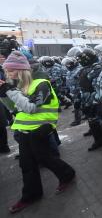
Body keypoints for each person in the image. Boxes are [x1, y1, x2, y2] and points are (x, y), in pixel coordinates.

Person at [0, 51, 75, 214]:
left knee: (45, 158)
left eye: (10, 70)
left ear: (21, 70)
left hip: (41, 128)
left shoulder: (41, 83)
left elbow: (31, 108)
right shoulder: (18, 86)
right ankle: (31, 195)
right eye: (6, 71)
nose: (8, 74)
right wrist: (4, 94)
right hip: (26, 130)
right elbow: (14, 108)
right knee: (26, 164)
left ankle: (67, 174)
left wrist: (8, 91)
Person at [76, 48, 102, 151]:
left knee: (95, 118)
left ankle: (99, 140)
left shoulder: (96, 68)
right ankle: (93, 131)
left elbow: (97, 87)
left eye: (83, 58)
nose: (80, 61)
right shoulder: (87, 67)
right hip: (86, 96)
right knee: (90, 117)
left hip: (93, 98)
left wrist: (93, 100)